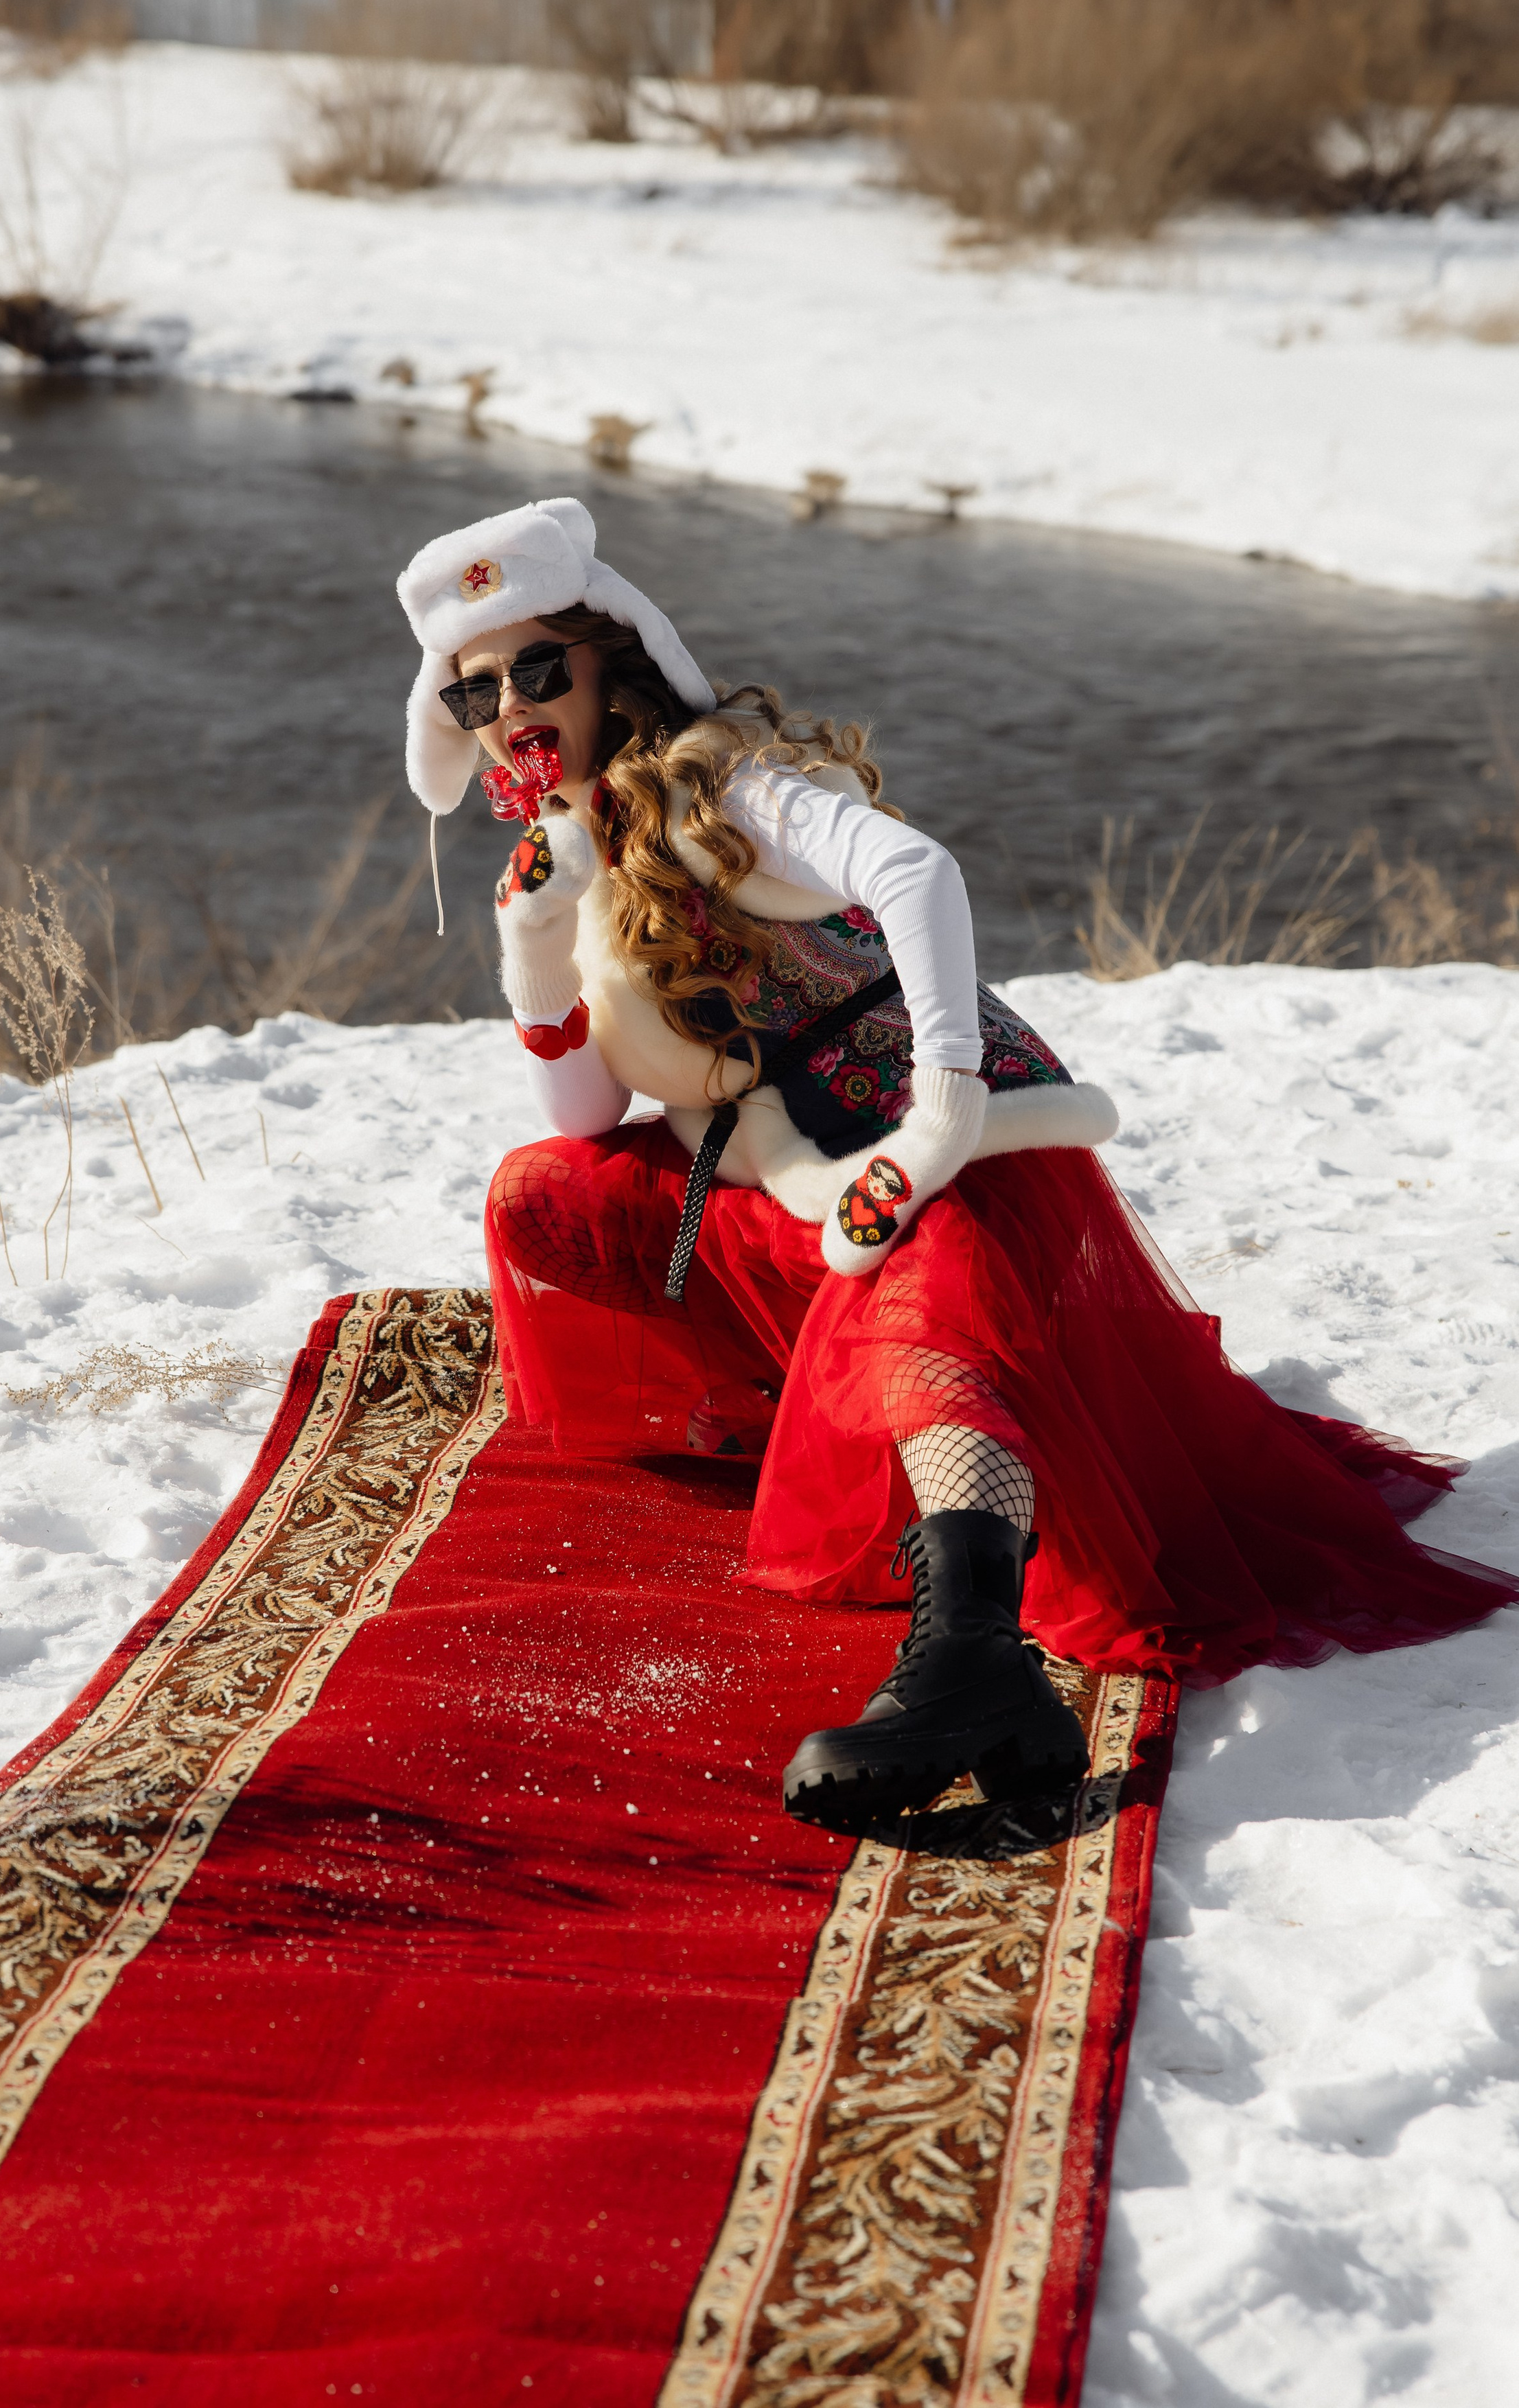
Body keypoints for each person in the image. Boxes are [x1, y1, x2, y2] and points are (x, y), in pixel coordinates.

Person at [398, 496, 1516, 1831]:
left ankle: (970, 1653)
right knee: (545, 1195)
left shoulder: (719, 783)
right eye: (476, 693)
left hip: (945, 1169)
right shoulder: (565, 847)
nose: (510, 709)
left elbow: (915, 870)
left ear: (610, 662)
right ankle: (813, 1426)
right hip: (772, 1171)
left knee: (917, 1274)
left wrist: (939, 1113)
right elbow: (585, 1116)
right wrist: (531, 951)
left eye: (537, 669)